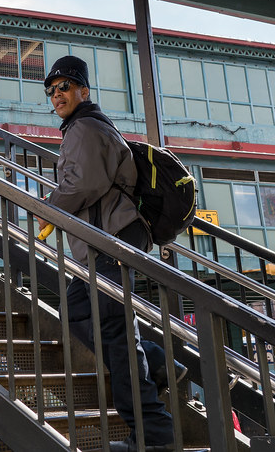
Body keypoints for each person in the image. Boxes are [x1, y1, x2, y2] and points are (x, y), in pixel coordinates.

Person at [38, 55, 181, 452]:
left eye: (64, 86)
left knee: (116, 335)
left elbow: (83, 182)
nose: (56, 95)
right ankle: (156, 362)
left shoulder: (85, 127)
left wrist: (47, 209)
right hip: (101, 246)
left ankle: (153, 436)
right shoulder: (82, 128)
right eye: (51, 90)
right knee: (77, 310)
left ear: (84, 90)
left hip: (110, 243)